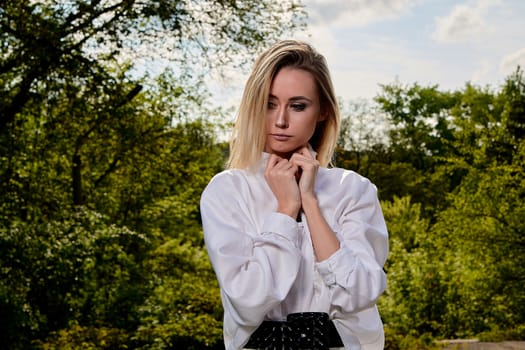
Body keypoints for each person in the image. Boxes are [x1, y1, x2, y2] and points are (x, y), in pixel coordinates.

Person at [200, 40, 389, 350]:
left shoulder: (353, 189)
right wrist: (286, 209)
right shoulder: (227, 191)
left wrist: (310, 203)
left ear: (323, 110)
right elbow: (247, 300)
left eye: (298, 105)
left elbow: (360, 293)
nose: (281, 121)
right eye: (269, 104)